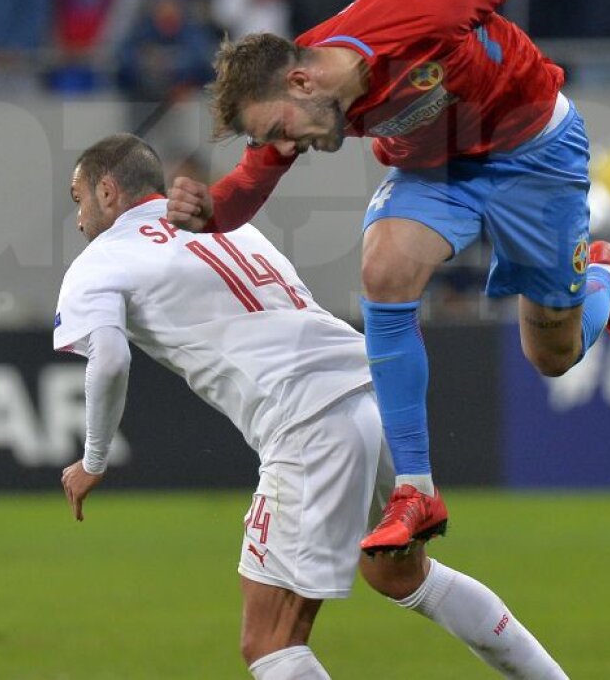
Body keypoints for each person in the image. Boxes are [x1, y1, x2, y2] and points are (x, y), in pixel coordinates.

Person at [165, 0, 610, 553]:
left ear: (301, 82)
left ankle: (604, 275)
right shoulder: (294, 101)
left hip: (535, 151)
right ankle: (416, 490)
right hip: (436, 167)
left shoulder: (413, 7)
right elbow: (247, 188)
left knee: (553, 354)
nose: (282, 145)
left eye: (279, 128)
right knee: (383, 271)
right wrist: (209, 213)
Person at [56, 134, 567, 680]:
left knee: (269, 642)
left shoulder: (100, 262)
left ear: (108, 191)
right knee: (403, 576)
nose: (79, 217)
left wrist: (93, 458)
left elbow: (108, 359)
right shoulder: (227, 224)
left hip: (306, 421)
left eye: (78, 198)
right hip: (374, 393)